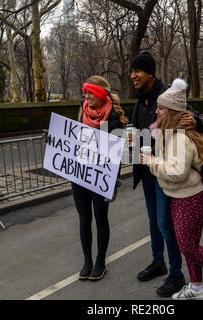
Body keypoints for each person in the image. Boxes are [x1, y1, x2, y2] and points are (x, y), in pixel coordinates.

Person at [140, 78, 203, 300]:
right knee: (189, 245)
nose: (157, 111)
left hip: (191, 198)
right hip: (182, 196)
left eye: (161, 108)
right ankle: (198, 287)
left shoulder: (179, 138)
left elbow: (176, 172)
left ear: (171, 111)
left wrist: (151, 162)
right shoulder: (170, 133)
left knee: (189, 247)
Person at [129, 52, 203, 297]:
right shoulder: (139, 102)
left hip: (166, 172)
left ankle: (176, 274)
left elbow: (197, 121)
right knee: (154, 221)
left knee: (166, 224)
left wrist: (197, 122)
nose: (133, 76)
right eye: (131, 72)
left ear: (150, 73)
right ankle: (158, 262)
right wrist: (129, 139)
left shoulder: (168, 97)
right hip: (147, 170)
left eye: (137, 71)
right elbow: (134, 131)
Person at [74, 75, 128, 281]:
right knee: (84, 218)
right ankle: (87, 261)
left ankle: (100, 262)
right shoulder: (82, 109)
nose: (86, 96)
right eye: (85, 92)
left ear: (100, 94)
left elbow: (116, 153)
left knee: (100, 218)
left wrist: (113, 179)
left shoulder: (112, 117)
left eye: (90, 93)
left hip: (101, 175)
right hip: (80, 173)